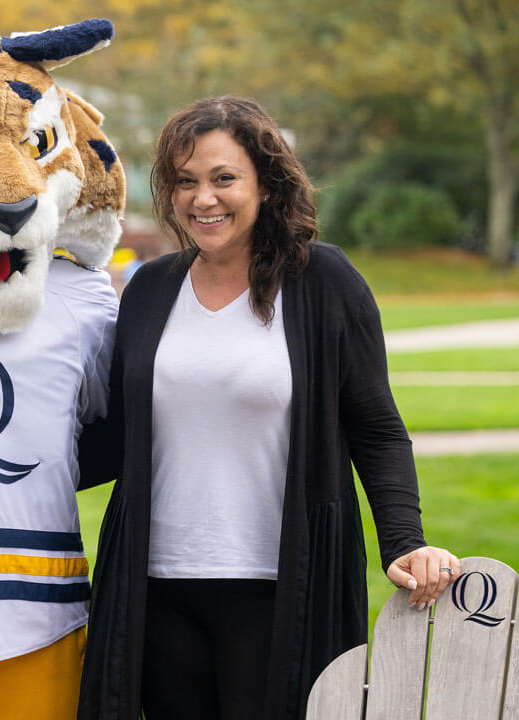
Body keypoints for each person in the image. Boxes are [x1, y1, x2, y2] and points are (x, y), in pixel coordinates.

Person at [77, 96, 460, 720]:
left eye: (224, 178)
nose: (204, 199)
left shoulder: (323, 282)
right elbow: (117, 435)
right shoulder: (150, 288)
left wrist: (404, 541)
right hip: (156, 586)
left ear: (266, 184)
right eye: (186, 182)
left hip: (279, 585)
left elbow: (377, 429)